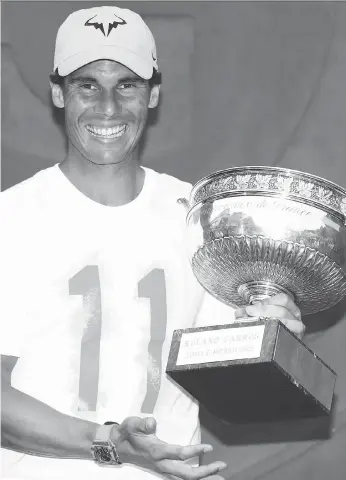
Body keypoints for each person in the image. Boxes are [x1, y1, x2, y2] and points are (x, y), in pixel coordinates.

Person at [0, 5, 304, 480]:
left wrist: (273, 338)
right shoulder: (10, 220)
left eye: (127, 84)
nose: (108, 107)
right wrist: (111, 444)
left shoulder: (198, 217)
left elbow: (233, 383)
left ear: (153, 94)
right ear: (58, 93)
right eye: (88, 85)